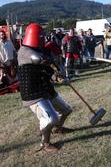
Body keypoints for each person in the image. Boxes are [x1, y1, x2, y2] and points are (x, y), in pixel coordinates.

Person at [17, 23, 73, 152]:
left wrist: (59, 78)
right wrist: (46, 60)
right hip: (33, 93)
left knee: (66, 110)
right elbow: (36, 59)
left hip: (46, 89)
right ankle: (45, 143)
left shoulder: (39, 50)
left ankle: (56, 128)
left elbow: (47, 70)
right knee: (51, 118)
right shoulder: (24, 51)